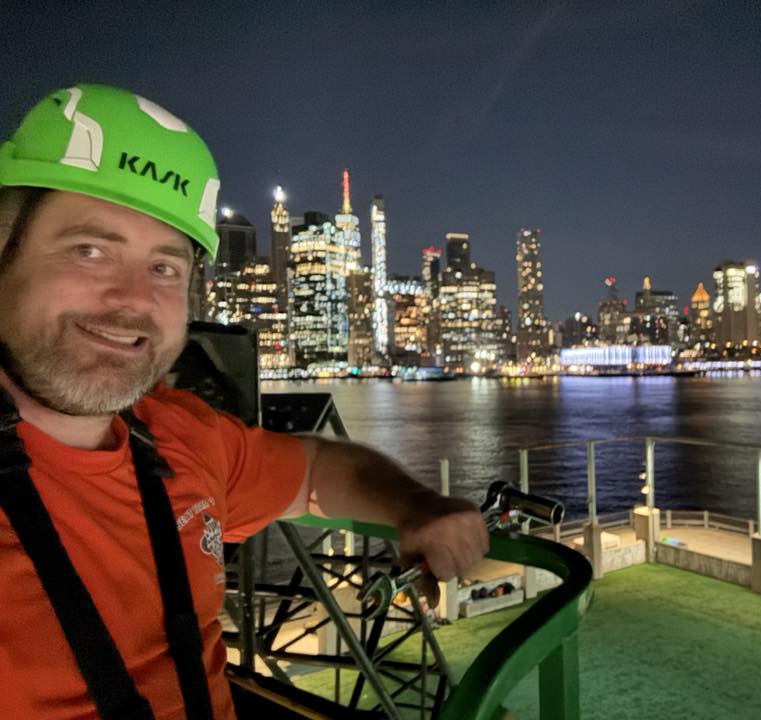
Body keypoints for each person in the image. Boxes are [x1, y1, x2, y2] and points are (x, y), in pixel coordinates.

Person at [0, 84, 489, 719]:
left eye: (165, 267)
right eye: (88, 250)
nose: (133, 300)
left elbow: (315, 469)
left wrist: (414, 505)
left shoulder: (179, 436)